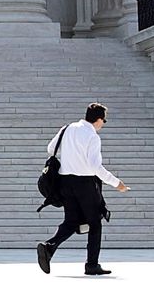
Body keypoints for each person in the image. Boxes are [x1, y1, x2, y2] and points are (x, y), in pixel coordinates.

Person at [37, 102, 128, 278]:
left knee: (71, 221)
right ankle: (92, 265)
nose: (103, 124)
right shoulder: (92, 136)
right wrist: (117, 183)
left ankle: (49, 247)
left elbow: (50, 149)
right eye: (104, 121)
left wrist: (71, 154)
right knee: (95, 223)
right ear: (99, 119)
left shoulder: (67, 128)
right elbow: (96, 167)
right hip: (85, 184)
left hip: (65, 182)